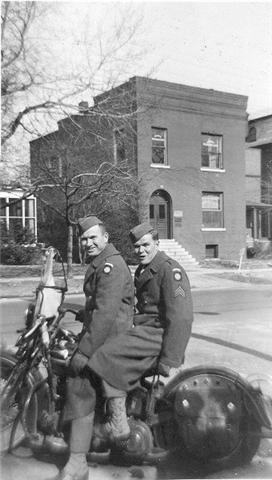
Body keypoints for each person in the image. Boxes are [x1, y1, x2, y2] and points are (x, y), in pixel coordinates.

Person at [87, 222, 194, 440]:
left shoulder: (171, 271)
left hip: (157, 336)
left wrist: (170, 358)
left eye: (146, 245)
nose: (140, 251)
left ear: (157, 243)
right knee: (108, 347)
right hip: (144, 332)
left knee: (105, 356)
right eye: (136, 247)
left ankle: (118, 424)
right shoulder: (144, 269)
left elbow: (181, 317)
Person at [54, 215, 134, 480]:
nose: (88, 243)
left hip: (110, 342)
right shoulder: (102, 262)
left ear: (105, 237)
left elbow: (105, 315)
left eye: (92, 238)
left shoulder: (111, 265)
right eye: (84, 239)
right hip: (106, 336)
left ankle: (78, 462)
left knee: (78, 380)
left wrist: (84, 352)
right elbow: (98, 308)